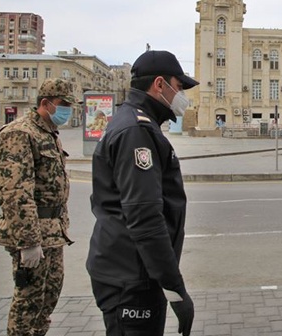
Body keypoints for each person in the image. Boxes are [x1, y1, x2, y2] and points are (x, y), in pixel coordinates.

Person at [87, 50, 199, 336]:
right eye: (180, 86)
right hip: (131, 279)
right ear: (160, 85)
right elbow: (145, 217)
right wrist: (175, 289)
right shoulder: (137, 131)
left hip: (132, 272)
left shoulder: (136, 122)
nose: (182, 94)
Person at [0, 78, 76, 336]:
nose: (67, 110)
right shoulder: (19, 133)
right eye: (63, 104)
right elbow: (15, 192)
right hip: (34, 235)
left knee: (46, 301)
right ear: (45, 103)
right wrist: (28, 242)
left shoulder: (47, 132)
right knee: (28, 306)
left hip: (52, 233)